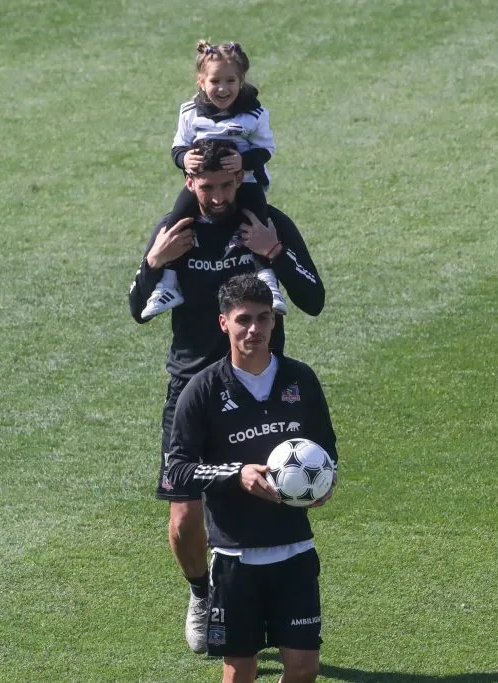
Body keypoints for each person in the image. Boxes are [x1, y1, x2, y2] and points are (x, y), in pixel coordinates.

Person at [128, 137, 326, 654]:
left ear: (241, 180)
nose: (216, 197)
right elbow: (135, 305)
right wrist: (154, 262)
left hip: (262, 388)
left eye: (226, 186)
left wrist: (273, 252)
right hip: (192, 390)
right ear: (190, 182)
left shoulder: (267, 224)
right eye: (206, 187)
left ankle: (274, 618)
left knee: (265, 502)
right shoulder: (177, 229)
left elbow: (313, 297)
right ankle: (201, 592)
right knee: (184, 519)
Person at [165, 274, 338, 683]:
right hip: (235, 558)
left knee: (304, 669)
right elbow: (178, 469)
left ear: (275, 322)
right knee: (240, 670)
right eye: (244, 319)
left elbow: (327, 449)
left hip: (295, 550)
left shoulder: (301, 380)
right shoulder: (202, 390)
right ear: (224, 323)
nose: (254, 329)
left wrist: (325, 481)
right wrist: (235, 474)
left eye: (263, 318)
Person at [141, 40, 287, 320]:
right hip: (202, 188)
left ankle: (268, 278)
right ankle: (167, 285)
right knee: (177, 221)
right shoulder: (189, 112)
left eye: (230, 80)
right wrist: (184, 160)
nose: (223, 88)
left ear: (241, 80)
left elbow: (267, 148)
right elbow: (178, 146)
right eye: (215, 80)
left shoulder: (254, 114)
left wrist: (244, 162)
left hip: (245, 183)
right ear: (201, 81)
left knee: (257, 219)